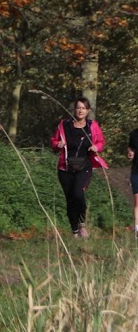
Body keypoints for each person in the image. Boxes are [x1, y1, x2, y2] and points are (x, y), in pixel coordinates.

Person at [49, 96, 106, 238]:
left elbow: (101, 142)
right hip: (65, 168)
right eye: (78, 108)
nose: (81, 110)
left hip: (84, 166)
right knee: (70, 199)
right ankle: (74, 231)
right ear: (74, 109)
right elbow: (54, 141)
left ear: (88, 111)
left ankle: (82, 224)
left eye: (84, 108)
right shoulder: (64, 125)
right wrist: (57, 144)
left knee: (78, 194)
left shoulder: (92, 126)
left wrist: (96, 147)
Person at [128, 126, 138, 234]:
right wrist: (130, 153)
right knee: (137, 200)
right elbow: (130, 148)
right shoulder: (134, 134)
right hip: (136, 171)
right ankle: (137, 228)